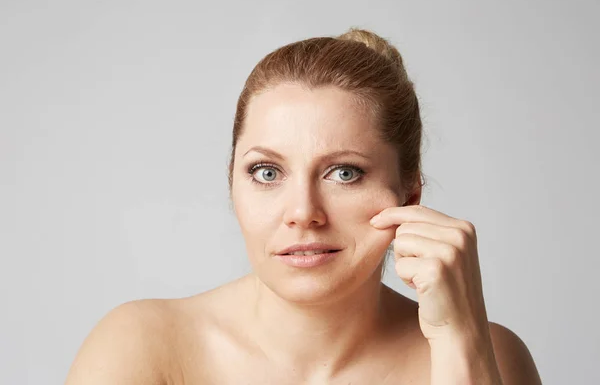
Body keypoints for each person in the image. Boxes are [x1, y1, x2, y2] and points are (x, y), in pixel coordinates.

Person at [65, 28, 542, 384]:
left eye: (345, 173)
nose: (302, 212)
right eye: (267, 172)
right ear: (233, 183)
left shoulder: (492, 355)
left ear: (409, 197)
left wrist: (459, 343)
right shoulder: (140, 347)